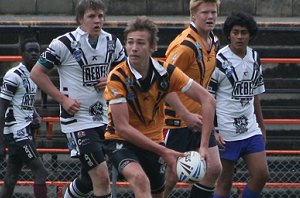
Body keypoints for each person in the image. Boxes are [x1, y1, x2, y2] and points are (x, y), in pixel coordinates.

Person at [103, 15, 216, 198]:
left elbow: (208, 100)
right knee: (140, 179)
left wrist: (203, 147)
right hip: (121, 142)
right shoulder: (117, 77)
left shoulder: (166, 73)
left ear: (152, 47)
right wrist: (164, 151)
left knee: (158, 193)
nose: (133, 48)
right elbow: (123, 128)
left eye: (140, 43)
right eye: (130, 42)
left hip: (154, 141)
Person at [30, 0, 126, 197]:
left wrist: (110, 80)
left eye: (100, 16)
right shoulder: (63, 43)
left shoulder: (112, 42)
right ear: (80, 19)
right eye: (91, 16)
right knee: (101, 177)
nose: (97, 20)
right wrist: (63, 100)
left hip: (106, 118)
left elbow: (125, 73)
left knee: (88, 180)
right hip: (78, 120)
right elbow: (36, 73)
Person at [163, 0, 222, 197]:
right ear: (193, 15)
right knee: (170, 176)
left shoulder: (213, 41)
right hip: (177, 120)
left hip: (200, 117)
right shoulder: (184, 46)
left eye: (213, 12)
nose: (210, 16)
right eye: (205, 12)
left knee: (213, 168)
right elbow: (163, 84)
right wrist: (185, 114)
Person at [209, 12, 269, 198]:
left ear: (250, 34)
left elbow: (255, 95)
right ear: (229, 34)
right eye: (235, 32)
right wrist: (213, 130)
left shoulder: (254, 57)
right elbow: (208, 98)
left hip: (250, 129)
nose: (240, 36)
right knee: (224, 183)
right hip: (225, 131)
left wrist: (262, 126)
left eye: (244, 32)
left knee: (261, 175)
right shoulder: (218, 60)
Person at [0, 38, 48, 198]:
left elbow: (23, 102)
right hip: (16, 133)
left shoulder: (34, 75)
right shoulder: (14, 75)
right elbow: (2, 107)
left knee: (10, 179)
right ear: (22, 54)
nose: (34, 54)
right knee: (41, 172)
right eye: (30, 51)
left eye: (37, 51)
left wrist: (35, 115)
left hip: (24, 130)